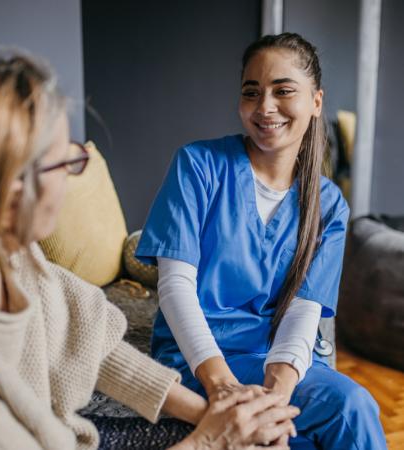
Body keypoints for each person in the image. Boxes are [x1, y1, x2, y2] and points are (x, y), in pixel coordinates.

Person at [0, 51, 300, 450]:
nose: (70, 179)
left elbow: (93, 344)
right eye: (62, 164)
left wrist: (214, 414)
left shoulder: (17, 260)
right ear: (8, 192)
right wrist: (212, 439)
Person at [135, 33, 387, 449]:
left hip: (277, 361)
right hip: (199, 359)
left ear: (316, 102)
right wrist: (220, 385)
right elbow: (174, 287)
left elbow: (305, 309)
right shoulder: (197, 165)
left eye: (283, 90)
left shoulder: (328, 203)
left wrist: (279, 394)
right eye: (252, 92)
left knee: (351, 407)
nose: (265, 106)